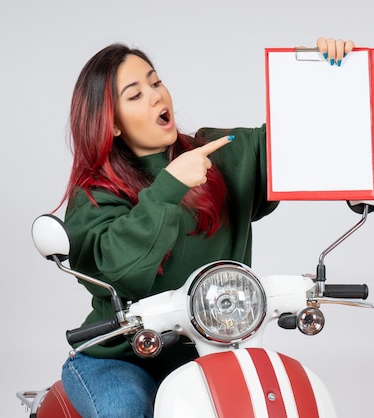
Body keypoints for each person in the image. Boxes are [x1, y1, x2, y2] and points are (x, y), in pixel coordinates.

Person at [58, 36, 355, 418]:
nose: (155, 96)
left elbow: (295, 144)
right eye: (135, 95)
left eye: (155, 82)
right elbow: (121, 271)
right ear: (111, 123)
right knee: (126, 410)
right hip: (122, 358)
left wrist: (328, 75)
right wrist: (168, 187)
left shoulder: (218, 153)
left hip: (215, 348)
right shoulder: (95, 195)